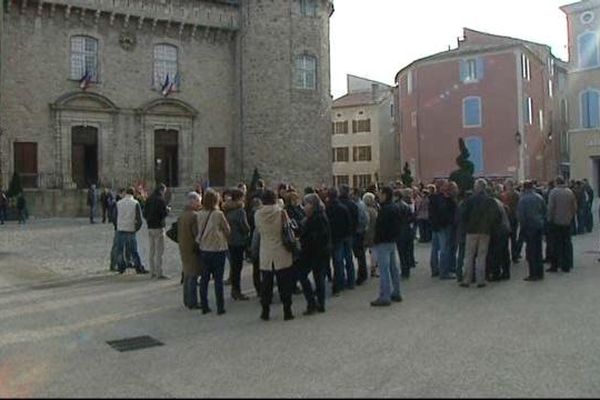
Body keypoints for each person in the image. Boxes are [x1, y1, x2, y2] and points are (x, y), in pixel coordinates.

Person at [255, 189, 296, 321]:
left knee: (266, 284)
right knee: (284, 284)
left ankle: (265, 311)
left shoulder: (258, 214)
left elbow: (259, 230)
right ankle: (287, 310)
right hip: (281, 250)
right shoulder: (281, 212)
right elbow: (288, 228)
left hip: (266, 251)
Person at [460, 179, 501, 288]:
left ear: (476, 187)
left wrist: (466, 225)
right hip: (485, 231)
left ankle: (466, 279)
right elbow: (496, 216)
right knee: (482, 256)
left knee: (469, 256)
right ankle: (481, 280)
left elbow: (463, 214)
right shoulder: (490, 200)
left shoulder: (470, 200)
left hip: (471, 231)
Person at [196, 189, 231, 315]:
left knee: (204, 279)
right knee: (218, 279)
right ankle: (220, 307)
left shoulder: (199, 214)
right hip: (218, 248)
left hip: (204, 248)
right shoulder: (218, 214)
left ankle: (204, 305)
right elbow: (227, 229)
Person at [298, 193, 331, 315]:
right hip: (317, 252)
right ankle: (318, 303)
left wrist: (304, 241)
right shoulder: (315, 217)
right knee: (317, 278)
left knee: (306, 276)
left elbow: (318, 237)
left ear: (312, 205)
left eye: (306, 204)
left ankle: (313, 302)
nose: (304, 207)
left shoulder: (317, 218)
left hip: (314, 253)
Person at [371, 186, 403, 307]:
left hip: (383, 241)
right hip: (392, 241)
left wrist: (376, 239)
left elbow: (380, 227)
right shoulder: (394, 207)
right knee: (393, 268)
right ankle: (396, 291)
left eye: (380, 193)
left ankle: (385, 295)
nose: (378, 195)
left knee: (384, 270)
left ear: (385, 195)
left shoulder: (385, 209)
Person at [326, 187, 354, 295]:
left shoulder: (328, 209)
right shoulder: (343, 208)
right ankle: (351, 281)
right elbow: (349, 222)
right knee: (348, 259)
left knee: (338, 262)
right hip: (346, 236)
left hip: (336, 237)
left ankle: (340, 284)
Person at [224, 188, 251, 301]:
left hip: (230, 240)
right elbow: (244, 226)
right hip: (239, 241)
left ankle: (235, 290)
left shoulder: (227, 209)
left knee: (234, 266)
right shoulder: (240, 211)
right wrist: (248, 232)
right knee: (237, 267)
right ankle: (237, 291)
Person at [517, 181, 547, 281]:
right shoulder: (539, 197)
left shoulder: (523, 199)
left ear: (524, 188)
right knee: (538, 250)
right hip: (539, 225)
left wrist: (523, 227)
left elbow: (521, 216)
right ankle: (540, 273)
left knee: (531, 251)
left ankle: (533, 274)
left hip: (529, 227)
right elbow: (544, 211)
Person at [547, 176, 577, 273]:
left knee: (555, 244)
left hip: (556, 222)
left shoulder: (554, 192)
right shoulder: (569, 192)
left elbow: (551, 207)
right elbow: (574, 207)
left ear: (556, 182)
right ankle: (567, 265)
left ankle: (555, 265)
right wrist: (570, 216)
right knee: (566, 243)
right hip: (567, 222)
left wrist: (549, 219)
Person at [115, 187, 148, 274]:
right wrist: (136, 228)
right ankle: (138, 267)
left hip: (120, 228)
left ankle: (121, 267)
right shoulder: (135, 203)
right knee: (133, 250)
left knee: (120, 250)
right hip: (130, 229)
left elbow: (114, 216)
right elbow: (139, 219)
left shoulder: (119, 203)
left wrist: (117, 225)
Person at [179, 192, 203, 309]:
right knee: (192, 275)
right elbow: (197, 234)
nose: (199, 203)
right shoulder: (193, 216)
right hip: (192, 247)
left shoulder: (183, 215)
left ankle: (186, 299)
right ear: (193, 201)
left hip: (184, 246)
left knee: (187, 273)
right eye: (198, 201)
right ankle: (192, 301)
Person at [429, 181, 456, 280]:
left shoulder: (433, 198)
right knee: (445, 249)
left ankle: (435, 269)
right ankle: (444, 272)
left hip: (435, 226)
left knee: (435, 249)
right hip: (443, 226)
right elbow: (445, 213)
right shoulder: (444, 199)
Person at [144, 184, 170, 279]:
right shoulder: (161, 200)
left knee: (152, 250)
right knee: (159, 251)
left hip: (150, 227)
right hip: (159, 226)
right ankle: (159, 272)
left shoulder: (149, 199)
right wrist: (167, 211)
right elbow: (163, 214)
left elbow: (145, 213)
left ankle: (152, 272)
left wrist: (148, 220)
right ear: (162, 190)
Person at [396, 189, 415, 279]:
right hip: (408, 229)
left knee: (402, 253)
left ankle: (404, 271)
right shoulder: (406, 206)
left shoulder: (396, 206)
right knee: (407, 252)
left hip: (400, 231)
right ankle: (407, 270)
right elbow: (412, 217)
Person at [352, 188, 370, 285]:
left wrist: (359, 227)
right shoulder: (361, 204)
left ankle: (362, 275)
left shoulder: (359, 205)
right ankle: (363, 274)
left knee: (360, 255)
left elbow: (363, 219)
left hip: (358, 232)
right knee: (361, 254)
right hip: (361, 231)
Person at [501, 179, 521, 263]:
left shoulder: (503, 195)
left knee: (505, 239)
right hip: (514, 217)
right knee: (513, 238)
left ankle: (505, 257)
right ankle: (515, 256)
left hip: (506, 218)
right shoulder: (517, 194)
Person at [363, 192, 379, 278]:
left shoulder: (364, 210)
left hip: (366, 233)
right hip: (373, 232)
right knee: (373, 252)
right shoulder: (373, 210)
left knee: (364, 251)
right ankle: (373, 269)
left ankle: (363, 268)